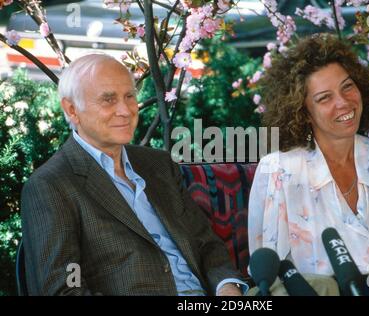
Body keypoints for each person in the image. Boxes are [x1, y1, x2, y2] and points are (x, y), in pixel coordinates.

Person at [21, 54, 246, 296]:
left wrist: (228, 288)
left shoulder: (158, 165)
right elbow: (64, 287)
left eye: (129, 96)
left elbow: (205, 242)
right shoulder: (52, 185)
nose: (126, 110)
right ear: (72, 109)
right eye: (108, 100)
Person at [248, 34, 369, 295]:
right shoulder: (278, 171)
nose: (343, 102)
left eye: (347, 87)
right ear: (302, 111)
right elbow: (269, 270)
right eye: (324, 98)